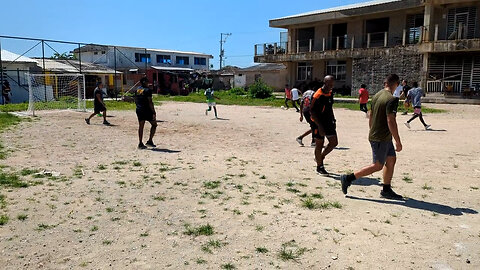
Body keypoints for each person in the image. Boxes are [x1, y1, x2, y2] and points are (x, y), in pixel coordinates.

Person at [340, 74, 403, 200]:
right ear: (396, 84)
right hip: (381, 138)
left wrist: (372, 130)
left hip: (380, 136)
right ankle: (348, 178)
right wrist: (398, 141)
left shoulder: (377, 95)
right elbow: (391, 120)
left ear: (385, 83)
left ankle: (386, 189)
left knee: (391, 160)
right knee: (377, 165)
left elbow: (371, 115)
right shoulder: (392, 99)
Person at [310, 75, 338, 175]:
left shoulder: (330, 93)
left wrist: (333, 119)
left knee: (334, 142)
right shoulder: (317, 95)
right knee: (319, 144)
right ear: (324, 82)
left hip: (328, 122)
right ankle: (319, 167)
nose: (330, 86)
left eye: (332, 84)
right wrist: (320, 126)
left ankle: (320, 157)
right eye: (329, 84)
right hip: (318, 123)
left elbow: (330, 108)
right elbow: (312, 111)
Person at [135, 77, 157, 149]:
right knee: (154, 124)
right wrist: (153, 111)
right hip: (147, 110)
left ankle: (140, 143)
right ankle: (150, 141)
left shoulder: (138, 89)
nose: (148, 83)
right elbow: (150, 102)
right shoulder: (148, 90)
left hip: (139, 109)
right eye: (147, 82)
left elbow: (135, 99)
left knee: (141, 126)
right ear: (144, 82)